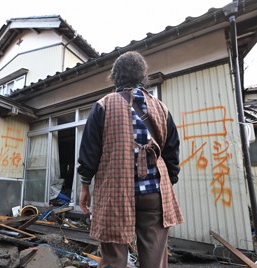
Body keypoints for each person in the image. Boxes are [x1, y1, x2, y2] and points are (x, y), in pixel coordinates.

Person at [77, 51, 184, 268]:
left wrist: (85, 185)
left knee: (114, 257)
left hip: (115, 193)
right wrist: (166, 183)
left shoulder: (103, 105)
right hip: (154, 192)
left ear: (115, 76)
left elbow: (89, 152)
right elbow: (171, 151)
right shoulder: (161, 108)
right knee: (154, 257)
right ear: (142, 76)